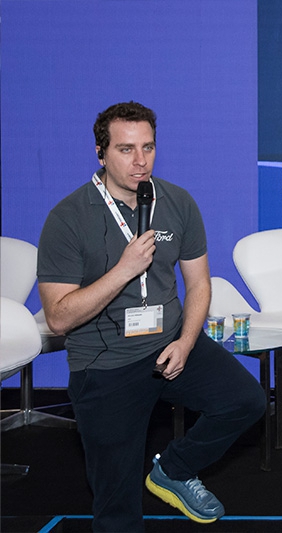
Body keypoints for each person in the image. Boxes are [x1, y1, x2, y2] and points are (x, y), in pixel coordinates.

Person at [37, 101, 266, 532]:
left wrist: (186, 342)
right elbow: (59, 318)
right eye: (126, 149)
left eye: (148, 147)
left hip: (170, 345)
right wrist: (123, 270)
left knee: (246, 401)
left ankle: (173, 470)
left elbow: (199, 284)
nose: (140, 160)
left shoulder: (177, 202)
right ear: (100, 153)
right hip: (104, 365)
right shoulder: (68, 218)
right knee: (117, 508)